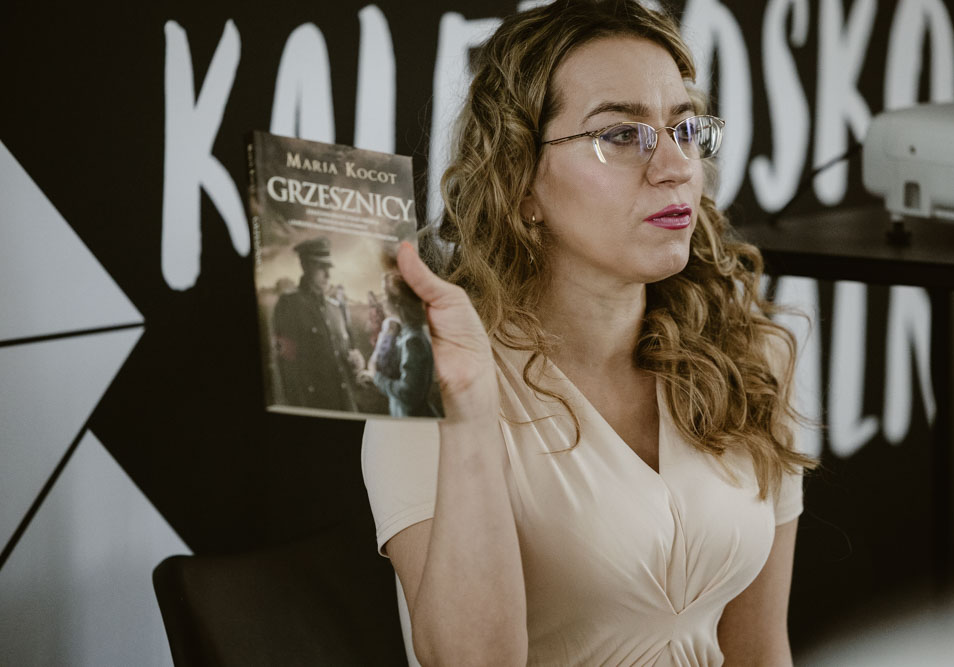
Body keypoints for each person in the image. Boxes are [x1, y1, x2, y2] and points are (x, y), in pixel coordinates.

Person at [362, 1, 816, 665]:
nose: (675, 166)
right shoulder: (425, 374)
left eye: (684, 127)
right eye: (622, 135)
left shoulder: (752, 355)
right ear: (521, 183)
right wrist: (471, 412)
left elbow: (758, 649)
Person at [272, 237, 359, 412]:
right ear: (305, 265)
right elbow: (287, 367)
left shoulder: (335, 308)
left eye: (329, 267)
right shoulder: (290, 304)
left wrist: (355, 362)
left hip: (345, 403)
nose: (328, 275)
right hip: (314, 405)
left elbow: (343, 358)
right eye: (321, 267)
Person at [359, 272, 438, 417]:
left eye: (385, 294)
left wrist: (376, 377)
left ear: (397, 302)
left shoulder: (413, 341)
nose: (382, 300)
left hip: (413, 419)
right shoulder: (405, 333)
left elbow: (408, 393)